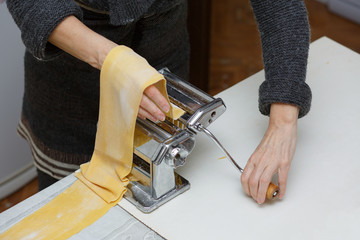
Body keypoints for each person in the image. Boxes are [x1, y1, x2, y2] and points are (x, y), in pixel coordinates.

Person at [6, 0, 311, 204]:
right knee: (70, 206)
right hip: (75, 78)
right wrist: (114, 61)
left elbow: (280, 7)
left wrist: (283, 122)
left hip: (165, 62)